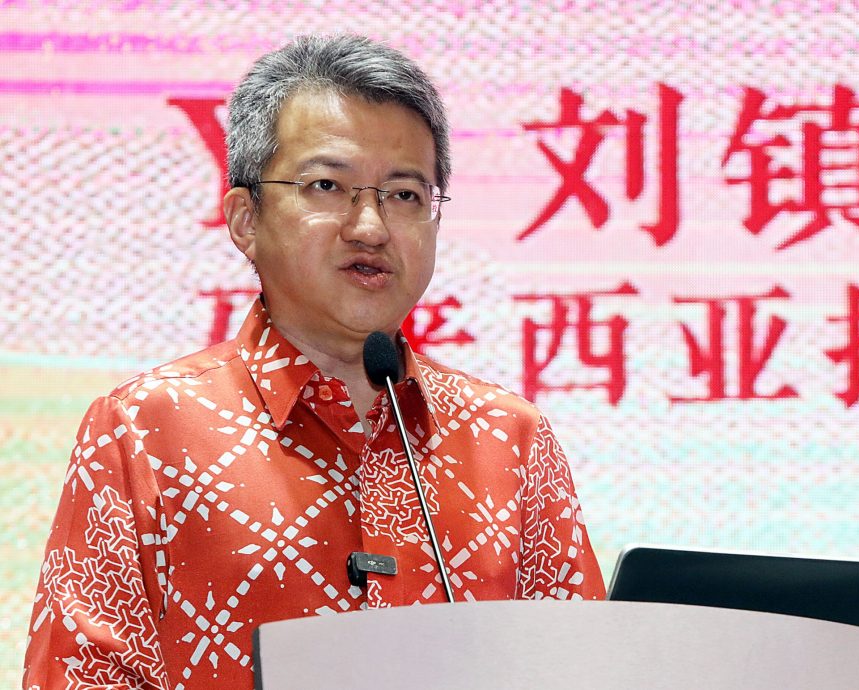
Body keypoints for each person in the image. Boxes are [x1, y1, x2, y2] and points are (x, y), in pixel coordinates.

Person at [24, 35, 606, 689]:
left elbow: (582, 670)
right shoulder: (145, 429)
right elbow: (80, 676)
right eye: (328, 186)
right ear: (245, 219)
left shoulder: (510, 438)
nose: (370, 227)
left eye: (404, 195)